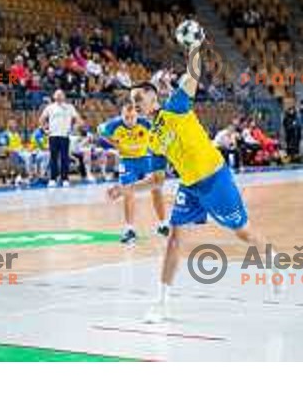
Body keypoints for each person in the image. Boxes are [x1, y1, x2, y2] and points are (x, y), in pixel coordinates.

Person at [110, 45, 281, 323]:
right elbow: (156, 180)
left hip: (216, 180)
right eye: (131, 100)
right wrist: (124, 189)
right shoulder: (152, 140)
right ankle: (162, 302)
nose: (134, 104)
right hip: (190, 188)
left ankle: (273, 265)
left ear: (153, 97)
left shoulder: (175, 106)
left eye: (138, 98)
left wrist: (194, 48)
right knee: (175, 240)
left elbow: (193, 73)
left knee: (244, 233)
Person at [101, 103, 168, 244]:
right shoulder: (114, 125)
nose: (130, 120)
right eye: (126, 117)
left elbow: (161, 134)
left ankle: (163, 225)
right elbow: (100, 130)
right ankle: (129, 229)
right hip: (127, 161)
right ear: (122, 115)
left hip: (145, 158)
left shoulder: (145, 124)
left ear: (137, 115)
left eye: (132, 117)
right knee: (128, 192)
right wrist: (113, 142)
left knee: (156, 189)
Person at [39, 89, 81, 188]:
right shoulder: (50, 107)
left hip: (64, 136)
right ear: (54, 96)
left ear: (64, 96)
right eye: (57, 94)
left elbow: (78, 119)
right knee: (53, 158)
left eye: (61, 94)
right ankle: (52, 179)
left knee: (64, 158)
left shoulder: (70, 107)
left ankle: (65, 179)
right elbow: (41, 119)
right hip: (53, 136)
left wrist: (74, 128)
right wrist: (45, 130)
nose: (58, 96)